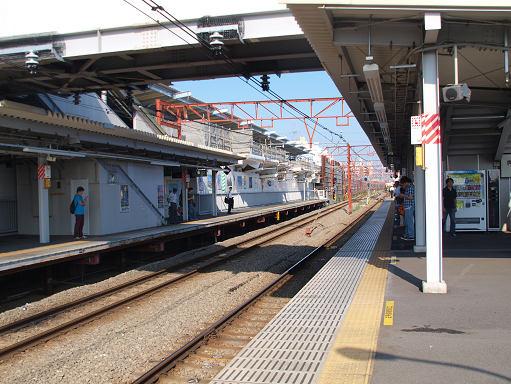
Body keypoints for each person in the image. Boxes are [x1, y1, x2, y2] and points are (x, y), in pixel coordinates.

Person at [398, 176, 415, 241]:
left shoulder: (410, 187)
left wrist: (403, 196)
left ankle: (411, 235)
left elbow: (410, 197)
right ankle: (408, 235)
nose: (402, 186)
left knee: (409, 222)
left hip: (409, 207)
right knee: (407, 222)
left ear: (406, 183)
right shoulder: (409, 187)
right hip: (407, 207)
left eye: (402, 184)